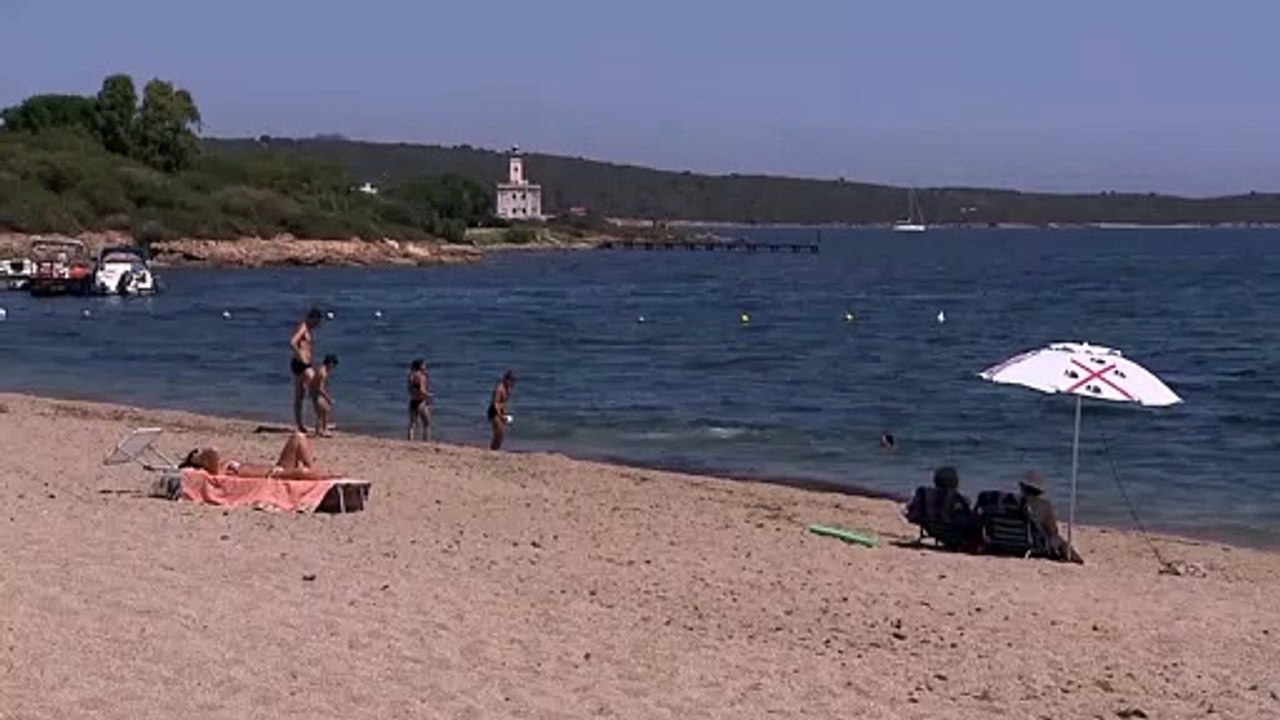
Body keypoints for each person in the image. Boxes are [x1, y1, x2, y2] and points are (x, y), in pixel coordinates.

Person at [179, 431, 337, 480]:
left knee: (298, 437)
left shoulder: (222, 466)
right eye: (199, 454)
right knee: (303, 472)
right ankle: (324, 478)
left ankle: (316, 477)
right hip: (274, 476)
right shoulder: (216, 473)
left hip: (277, 468)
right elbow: (213, 451)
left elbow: (213, 453)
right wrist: (193, 458)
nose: (201, 452)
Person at [1019, 471, 1083, 564]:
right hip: (1033, 544)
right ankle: (1077, 559)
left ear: (1022, 487)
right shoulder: (1044, 506)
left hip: (1008, 542)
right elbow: (1052, 531)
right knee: (1057, 540)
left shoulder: (1011, 504)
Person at [289, 307, 324, 432]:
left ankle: (300, 425)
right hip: (302, 365)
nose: (317, 324)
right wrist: (301, 356)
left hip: (298, 364)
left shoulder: (307, 329)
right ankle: (320, 425)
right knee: (316, 390)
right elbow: (293, 342)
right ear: (312, 318)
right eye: (317, 321)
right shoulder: (303, 327)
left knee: (300, 395)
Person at [309, 354, 339, 437]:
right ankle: (321, 431)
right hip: (316, 393)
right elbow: (320, 388)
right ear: (330, 363)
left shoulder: (322, 369)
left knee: (325, 410)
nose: (333, 368)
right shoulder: (323, 372)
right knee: (321, 412)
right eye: (333, 365)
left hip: (314, 392)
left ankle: (322, 429)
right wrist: (328, 398)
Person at [488, 370, 516, 451]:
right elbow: (496, 403)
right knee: (499, 432)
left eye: (513, 381)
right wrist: (500, 415)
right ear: (506, 379)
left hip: (500, 411)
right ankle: (494, 449)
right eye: (511, 380)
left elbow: (503, 403)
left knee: (501, 433)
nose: (512, 383)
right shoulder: (499, 389)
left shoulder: (507, 389)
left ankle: (496, 448)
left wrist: (504, 413)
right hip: (494, 411)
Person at [407, 359, 432, 441]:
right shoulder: (421, 376)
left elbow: (410, 389)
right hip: (421, 402)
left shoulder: (411, 376)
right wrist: (428, 395)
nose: (425, 366)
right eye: (424, 365)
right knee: (426, 423)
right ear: (420, 366)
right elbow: (421, 390)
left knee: (412, 423)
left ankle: (410, 440)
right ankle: (426, 440)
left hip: (412, 401)